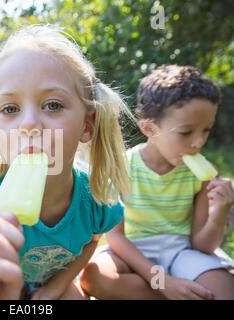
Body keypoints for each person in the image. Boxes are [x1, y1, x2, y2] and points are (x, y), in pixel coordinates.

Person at [0, 24, 133, 300]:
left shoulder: (95, 198)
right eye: (11, 109)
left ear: (87, 124)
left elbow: (91, 242)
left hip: (47, 287)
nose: (29, 124)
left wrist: (54, 289)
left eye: (53, 105)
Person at [80, 65, 234, 300]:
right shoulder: (122, 166)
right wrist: (163, 282)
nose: (198, 142)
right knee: (95, 276)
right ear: (149, 128)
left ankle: (177, 291)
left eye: (206, 130)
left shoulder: (204, 175)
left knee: (224, 289)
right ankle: (175, 292)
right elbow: (116, 236)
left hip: (182, 252)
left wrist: (219, 213)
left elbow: (202, 246)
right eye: (186, 132)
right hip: (132, 251)